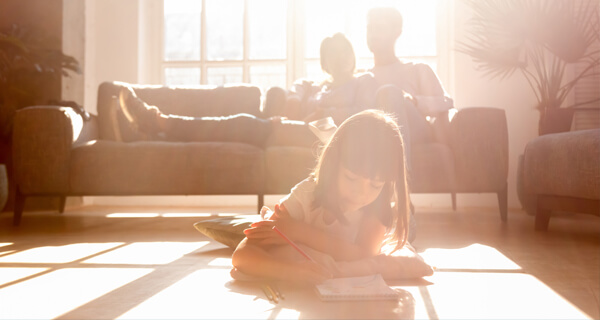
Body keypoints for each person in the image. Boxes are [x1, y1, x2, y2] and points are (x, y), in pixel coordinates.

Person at [231, 110, 433, 285]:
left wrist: (299, 231)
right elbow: (241, 256)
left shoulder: (379, 203)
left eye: (375, 184)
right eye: (351, 178)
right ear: (333, 167)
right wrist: (290, 272)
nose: (361, 193)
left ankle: (405, 209)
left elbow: (365, 254)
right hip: (317, 195)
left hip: (390, 222)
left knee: (407, 231)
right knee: (263, 228)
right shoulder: (307, 194)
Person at [367, 7, 454, 165]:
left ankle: (400, 175)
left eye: (379, 28)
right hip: (376, 132)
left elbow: (446, 102)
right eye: (369, 29)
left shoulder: (416, 69)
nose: (372, 35)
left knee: (389, 93)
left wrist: (413, 101)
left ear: (396, 33)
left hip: (416, 131)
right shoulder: (364, 78)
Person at [118, 85, 317, 147]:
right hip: (304, 129)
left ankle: (156, 122)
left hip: (321, 135)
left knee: (244, 124)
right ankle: (156, 126)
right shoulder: (318, 86)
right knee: (244, 123)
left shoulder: (349, 88)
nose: (339, 61)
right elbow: (293, 103)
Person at [264, 33, 377, 125]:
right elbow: (301, 83)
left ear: (353, 56)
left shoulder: (363, 81)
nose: (341, 57)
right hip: (303, 131)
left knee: (265, 128)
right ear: (324, 62)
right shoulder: (319, 87)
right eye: (334, 53)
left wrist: (324, 114)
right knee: (273, 124)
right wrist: (294, 98)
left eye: (345, 51)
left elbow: (363, 113)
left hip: (330, 135)